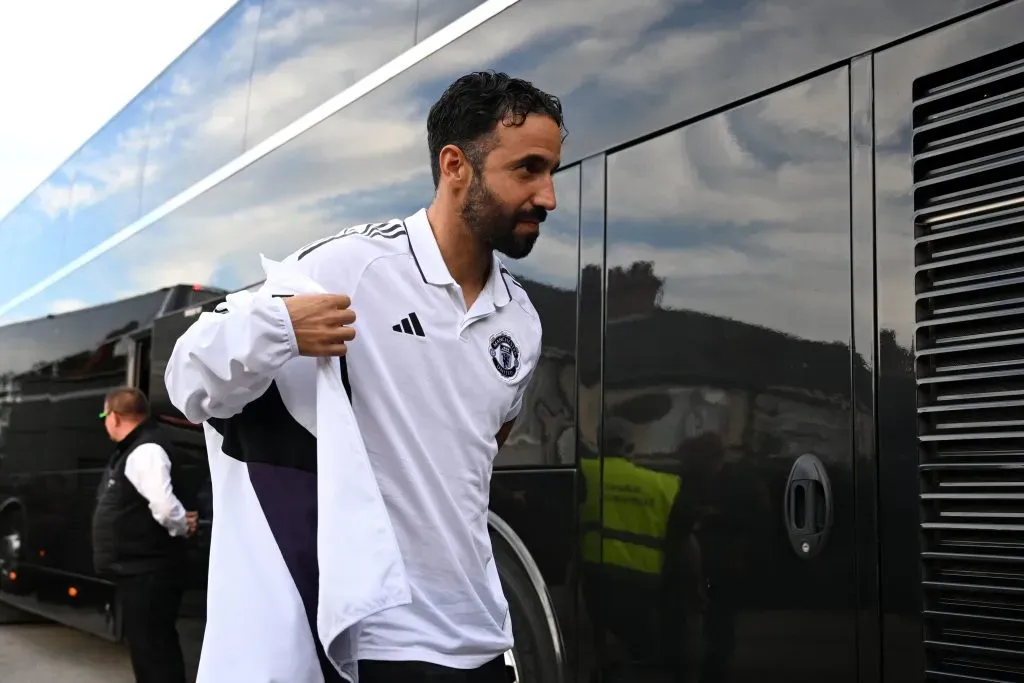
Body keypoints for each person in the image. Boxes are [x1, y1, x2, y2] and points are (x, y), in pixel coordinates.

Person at [165, 70, 564, 682]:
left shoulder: (523, 322)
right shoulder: (349, 267)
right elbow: (187, 379)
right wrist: (279, 328)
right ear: (455, 166)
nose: (548, 196)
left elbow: (475, 462)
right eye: (527, 170)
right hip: (379, 641)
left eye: (551, 172)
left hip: (482, 638)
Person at [92, 386, 198, 683]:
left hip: (149, 571)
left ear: (114, 416)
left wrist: (181, 524)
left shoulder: (146, 451)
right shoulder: (134, 448)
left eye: (103, 414)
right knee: (147, 648)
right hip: (138, 570)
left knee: (154, 650)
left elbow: (164, 506)